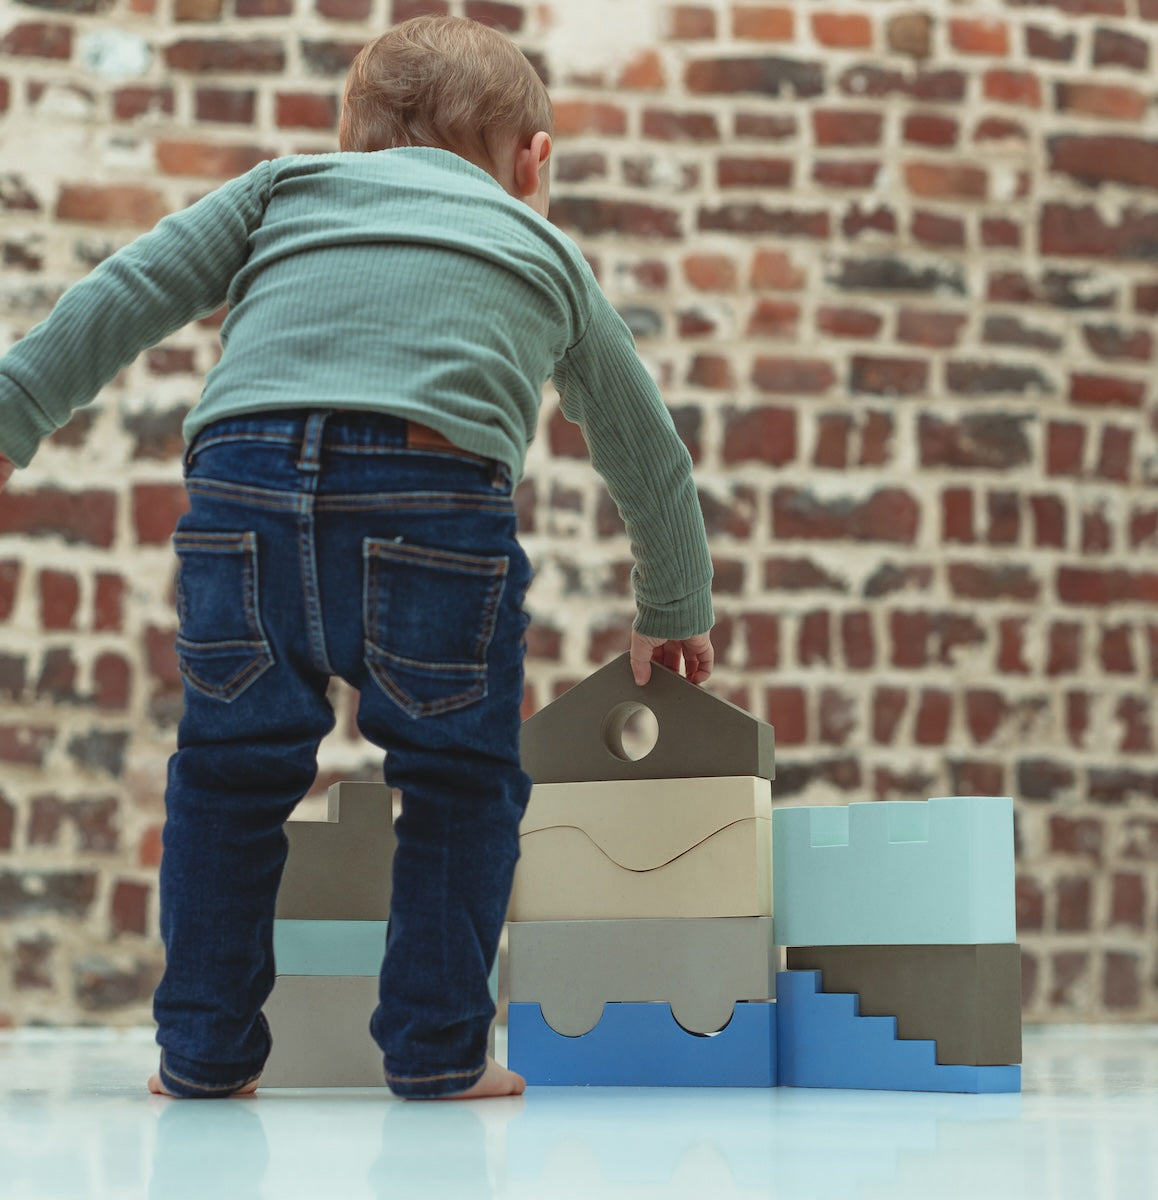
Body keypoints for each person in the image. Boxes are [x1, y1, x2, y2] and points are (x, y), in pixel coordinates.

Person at [0, 16, 714, 1099]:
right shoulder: (544, 246)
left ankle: (201, 1057)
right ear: (535, 162)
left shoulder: (286, 188)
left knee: (228, 779)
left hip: (242, 490)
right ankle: (434, 1056)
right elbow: (642, 443)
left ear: (354, 135)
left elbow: (124, 294)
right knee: (460, 782)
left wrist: (12, 413)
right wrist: (673, 602)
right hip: (433, 499)